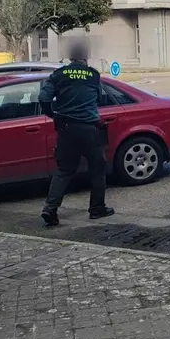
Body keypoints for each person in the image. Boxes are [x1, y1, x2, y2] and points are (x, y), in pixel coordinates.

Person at [38, 40, 115, 227]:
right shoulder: (93, 75)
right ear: (85, 57)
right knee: (98, 169)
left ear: (70, 56)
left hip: (66, 129)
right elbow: (99, 97)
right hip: (90, 129)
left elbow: (43, 97)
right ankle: (97, 209)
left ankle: (50, 208)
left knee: (64, 171)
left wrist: (52, 113)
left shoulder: (58, 74)